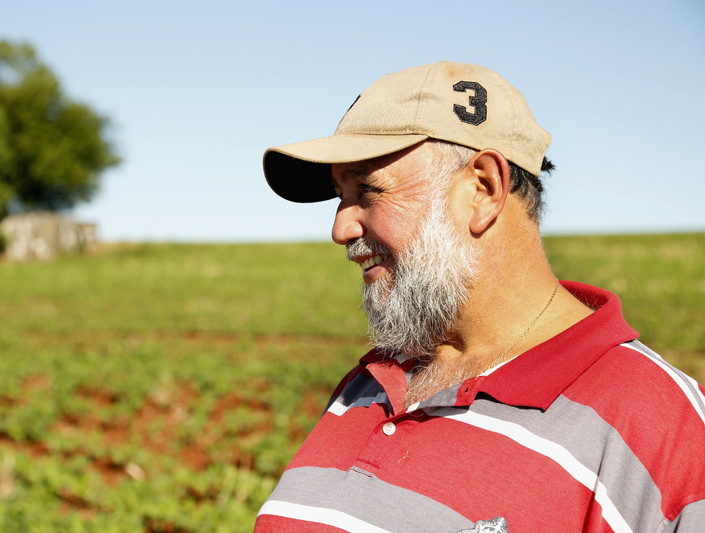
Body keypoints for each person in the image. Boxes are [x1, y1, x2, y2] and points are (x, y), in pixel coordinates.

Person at [253, 61, 705, 533]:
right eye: (338, 195)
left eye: (367, 190)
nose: (340, 228)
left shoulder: (666, 430)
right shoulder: (369, 383)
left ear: (483, 189)